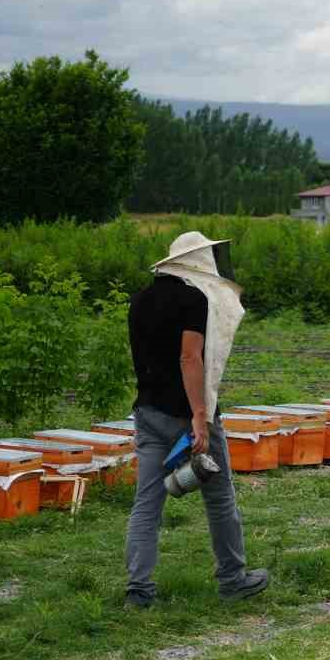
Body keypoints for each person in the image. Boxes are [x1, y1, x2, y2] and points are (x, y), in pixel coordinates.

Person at [124, 232, 269, 608]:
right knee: (220, 499)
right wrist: (200, 418)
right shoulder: (193, 299)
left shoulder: (139, 300)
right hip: (189, 417)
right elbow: (190, 358)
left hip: (148, 412)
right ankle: (233, 579)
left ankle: (138, 590)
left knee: (147, 503)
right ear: (200, 261)